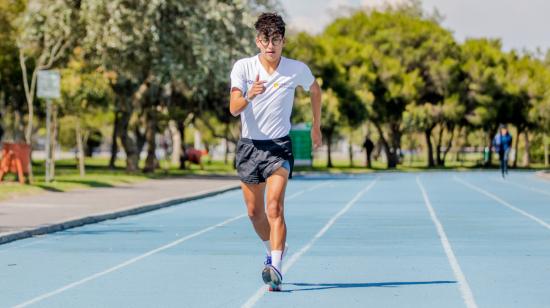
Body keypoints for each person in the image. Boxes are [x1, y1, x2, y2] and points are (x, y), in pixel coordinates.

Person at [229, 12, 322, 291]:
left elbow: (315, 90)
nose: (271, 46)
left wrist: (316, 126)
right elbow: (234, 108)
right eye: (266, 40)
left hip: (279, 147)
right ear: (258, 41)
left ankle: (277, 267)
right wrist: (250, 95)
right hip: (249, 147)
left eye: (277, 40)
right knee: (254, 213)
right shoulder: (243, 68)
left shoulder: (296, 69)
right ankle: (273, 250)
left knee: (274, 207)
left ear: (283, 41)